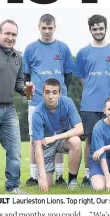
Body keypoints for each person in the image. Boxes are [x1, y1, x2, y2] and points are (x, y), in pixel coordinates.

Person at [23, 14, 76, 187]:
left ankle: (60, 175)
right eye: (44, 28)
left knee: (58, 136)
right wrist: (31, 97)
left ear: (55, 27)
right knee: (34, 139)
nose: (47, 31)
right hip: (37, 102)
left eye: (50, 27)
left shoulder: (63, 48)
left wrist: (59, 94)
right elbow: (26, 77)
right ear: (39, 27)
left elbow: (68, 75)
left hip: (58, 101)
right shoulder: (30, 48)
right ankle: (33, 175)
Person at [74, 14, 110, 186]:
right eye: (94, 28)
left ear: (105, 28)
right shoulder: (83, 53)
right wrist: (92, 90)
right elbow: (81, 78)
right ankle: (88, 175)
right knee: (89, 139)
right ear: (90, 30)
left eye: (100, 28)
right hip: (89, 104)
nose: (98, 31)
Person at [0, 19, 28, 194]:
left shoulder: (18, 56)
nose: (10, 37)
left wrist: (26, 89)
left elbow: (19, 82)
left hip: (9, 110)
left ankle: (13, 187)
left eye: (14, 34)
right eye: (7, 33)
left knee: (15, 150)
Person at [31, 79, 83, 192]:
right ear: (42, 93)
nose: (50, 96)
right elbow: (38, 146)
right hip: (45, 145)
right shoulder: (37, 113)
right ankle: (47, 175)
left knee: (76, 141)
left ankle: (72, 181)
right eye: (47, 92)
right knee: (46, 186)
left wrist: (54, 137)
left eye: (54, 92)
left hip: (61, 140)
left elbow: (80, 129)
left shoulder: (67, 102)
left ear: (59, 93)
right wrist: (42, 175)